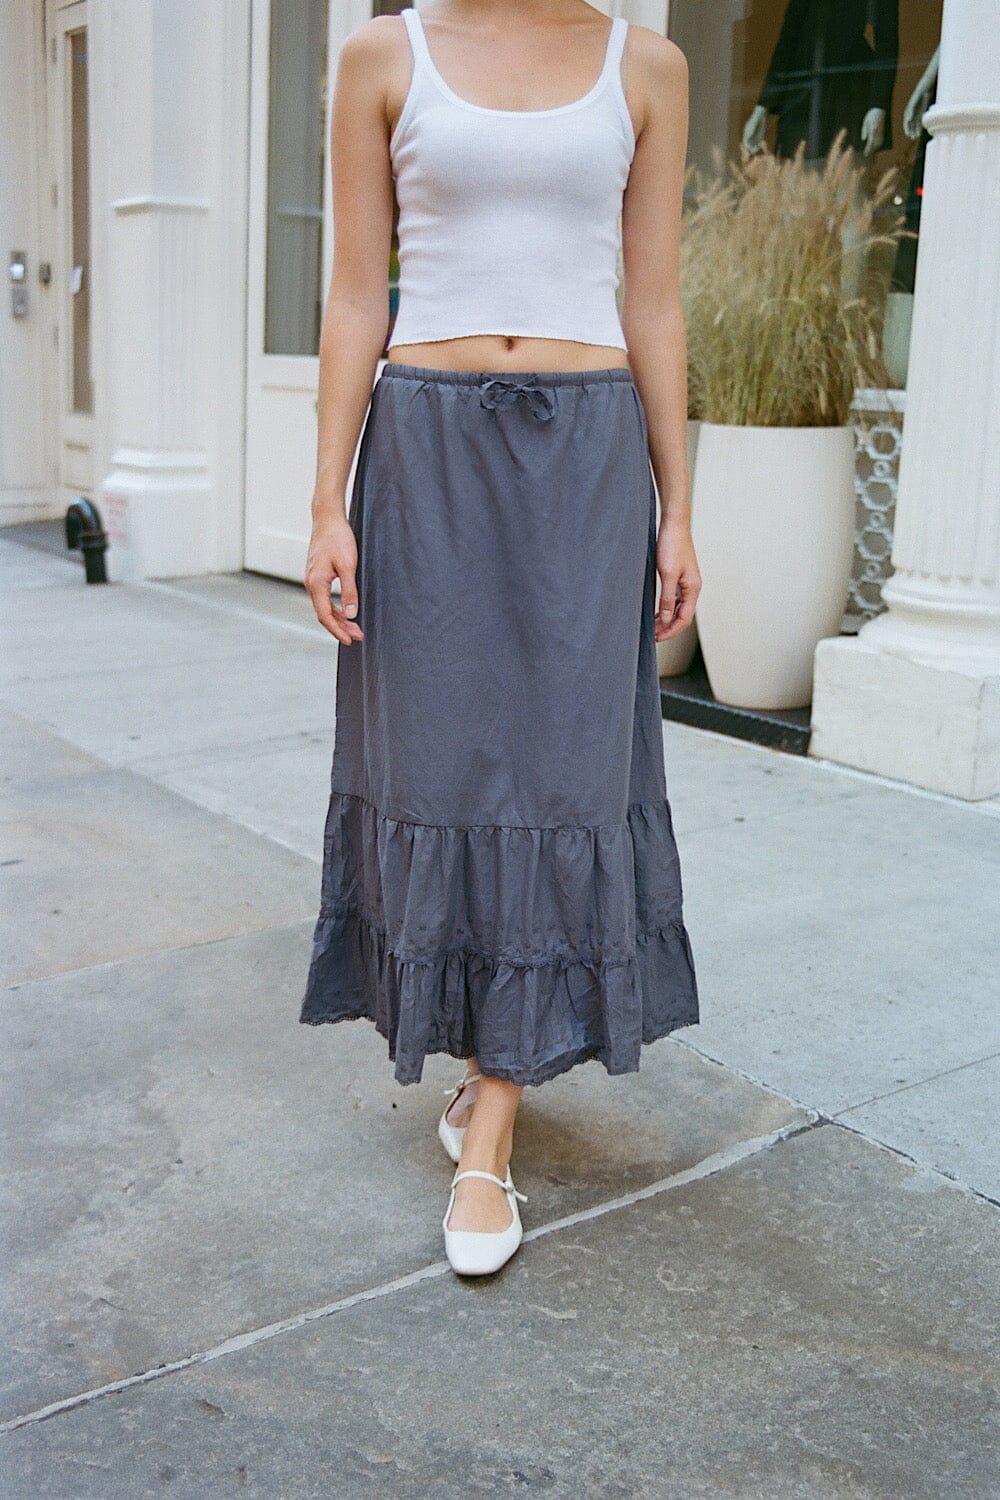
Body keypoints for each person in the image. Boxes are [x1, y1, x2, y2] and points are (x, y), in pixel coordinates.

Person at [300, 0, 701, 1277]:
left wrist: (678, 508)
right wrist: (326, 502)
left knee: (560, 777)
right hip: (424, 452)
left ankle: (491, 1133)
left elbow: (653, 301)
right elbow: (355, 294)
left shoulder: (646, 64)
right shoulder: (384, 53)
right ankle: (487, 1070)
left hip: (586, 457)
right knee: (440, 770)